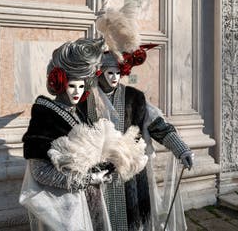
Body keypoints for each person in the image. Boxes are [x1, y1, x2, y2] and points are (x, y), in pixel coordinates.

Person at [82, 50, 194, 231]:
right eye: (110, 72)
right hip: (98, 172)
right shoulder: (86, 99)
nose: (114, 77)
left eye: (118, 73)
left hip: (130, 173)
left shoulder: (134, 97)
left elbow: (157, 125)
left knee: (132, 220)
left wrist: (181, 149)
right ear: (100, 73)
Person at [19, 37, 113, 231]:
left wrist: (100, 172)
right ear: (60, 83)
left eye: (81, 86)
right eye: (72, 85)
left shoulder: (78, 112)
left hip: (87, 203)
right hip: (63, 209)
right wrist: (87, 180)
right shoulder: (45, 116)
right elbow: (40, 171)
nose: (77, 92)